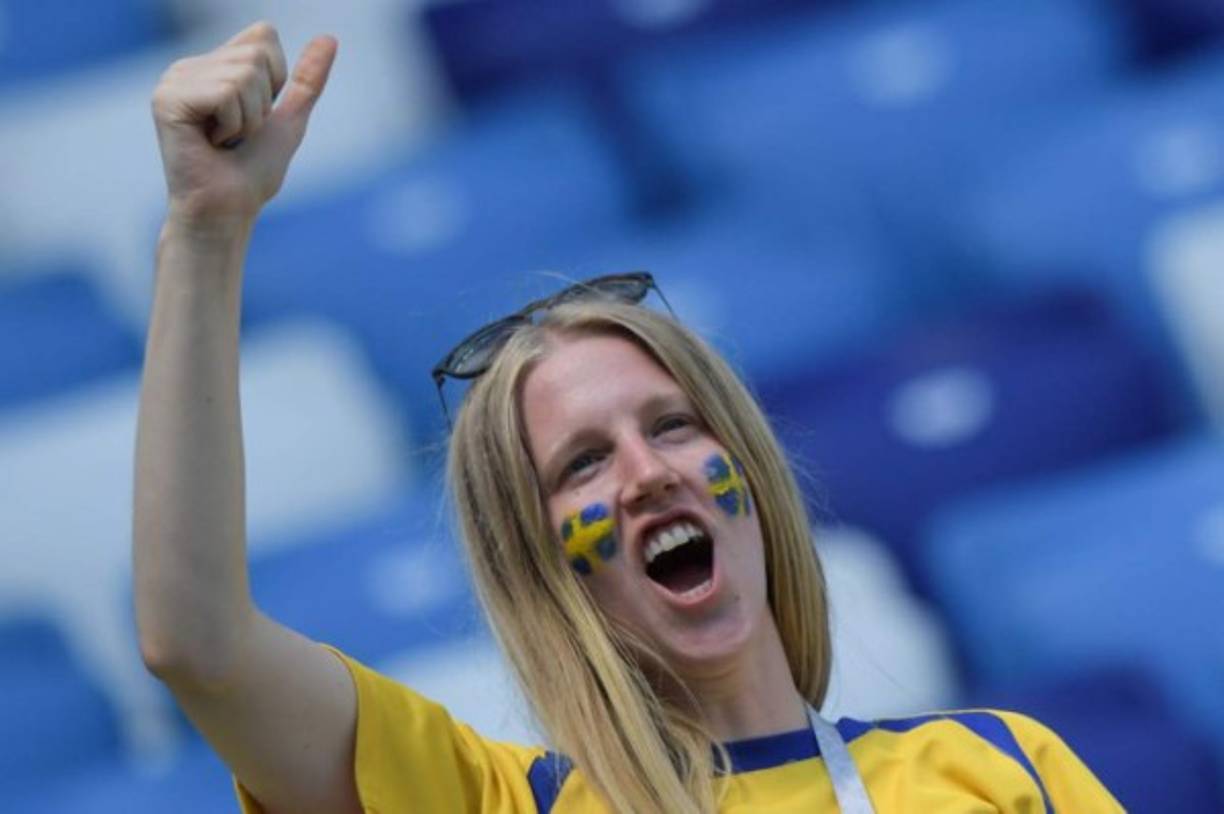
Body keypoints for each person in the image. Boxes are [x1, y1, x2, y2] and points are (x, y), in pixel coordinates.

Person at [135, 21, 1124, 814]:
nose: (647, 472)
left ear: (750, 474)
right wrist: (206, 236)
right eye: (581, 465)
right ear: (537, 563)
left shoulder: (999, 765)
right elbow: (198, 642)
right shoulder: (494, 801)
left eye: (673, 425)